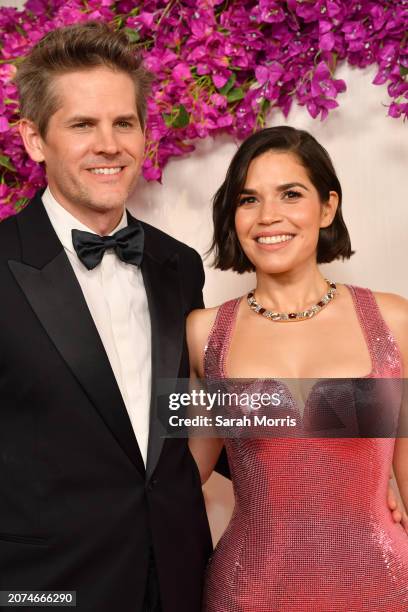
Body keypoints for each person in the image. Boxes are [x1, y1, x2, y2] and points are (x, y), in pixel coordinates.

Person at [0, 22, 212, 612]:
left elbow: (200, 405)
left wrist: (369, 456)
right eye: (82, 125)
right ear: (34, 139)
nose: (109, 144)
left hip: (177, 575)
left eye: (124, 123)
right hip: (44, 585)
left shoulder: (179, 263)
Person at [187, 126, 408, 610]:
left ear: (327, 207)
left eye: (291, 194)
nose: (269, 217)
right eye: (248, 199)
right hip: (248, 594)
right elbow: (177, 479)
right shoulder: (204, 333)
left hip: (385, 590)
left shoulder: (395, 320)